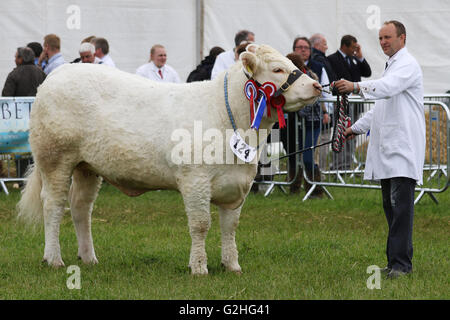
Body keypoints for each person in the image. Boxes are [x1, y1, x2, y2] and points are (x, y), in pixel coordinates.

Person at [335, 21, 425, 279]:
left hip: (403, 148)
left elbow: (387, 89)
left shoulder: (406, 64)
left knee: (400, 209)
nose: (384, 41)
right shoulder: (392, 67)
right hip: (390, 149)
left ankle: (401, 266)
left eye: (388, 37)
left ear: (402, 38)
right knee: (391, 208)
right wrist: (355, 128)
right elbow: (381, 107)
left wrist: (355, 86)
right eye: (381, 38)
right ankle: (395, 262)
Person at [281, 52, 328, 197]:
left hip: (311, 123)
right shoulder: (286, 80)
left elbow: (308, 102)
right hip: (295, 123)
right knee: (294, 155)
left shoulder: (311, 78)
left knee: (308, 157)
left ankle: (315, 189)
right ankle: (294, 187)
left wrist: (290, 107)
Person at [328, 35, 372, 170]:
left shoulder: (354, 59)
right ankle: (338, 165)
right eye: (353, 47)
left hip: (355, 104)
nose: (354, 50)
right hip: (342, 103)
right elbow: (332, 79)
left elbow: (367, 72)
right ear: (344, 46)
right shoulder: (331, 59)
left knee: (352, 132)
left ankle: (347, 164)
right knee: (340, 132)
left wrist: (360, 56)